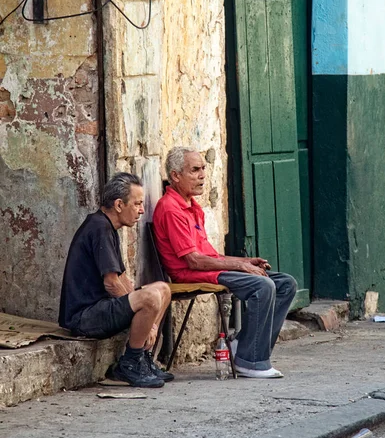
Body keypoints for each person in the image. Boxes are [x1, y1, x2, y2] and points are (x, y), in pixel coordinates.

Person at [153, 147, 297, 379]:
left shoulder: (192, 206)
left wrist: (244, 261)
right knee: (263, 286)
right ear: (176, 175)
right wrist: (240, 266)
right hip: (191, 273)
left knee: (286, 284)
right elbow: (194, 261)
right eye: (195, 170)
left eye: (203, 169)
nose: (202, 175)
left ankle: (243, 344)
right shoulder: (171, 208)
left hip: (207, 268)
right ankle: (250, 361)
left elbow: (210, 255)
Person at [58, 172, 173, 388]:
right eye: (137, 203)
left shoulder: (107, 227)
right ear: (119, 204)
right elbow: (111, 283)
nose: (142, 210)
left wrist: (150, 323)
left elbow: (121, 279)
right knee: (149, 297)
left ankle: (143, 358)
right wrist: (143, 311)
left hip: (102, 308)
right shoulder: (99, 227)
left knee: (162, 289)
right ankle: (130, 363)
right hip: (85, 317)